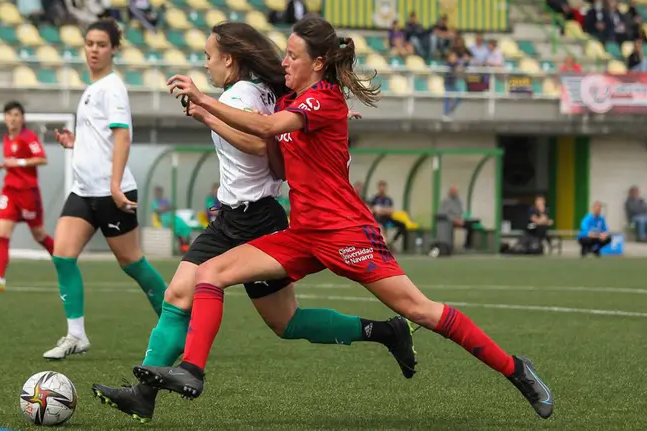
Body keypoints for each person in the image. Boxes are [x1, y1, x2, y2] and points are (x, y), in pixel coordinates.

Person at [135, 16, 553, 420]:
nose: (284, 62)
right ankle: (191, 370)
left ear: (318, 63)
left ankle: (517, 369)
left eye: (293, 55)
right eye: (284, 55)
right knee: (210, 273)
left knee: (421, 311)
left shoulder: (322, 99)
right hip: (303, 233)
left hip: (346, 233)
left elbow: (271, 127)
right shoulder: (293, 101)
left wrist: (205, 101)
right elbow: (278, 161)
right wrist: (222, 117)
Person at [91, 21, 416, 423]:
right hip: (231, 216)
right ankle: (143, 395)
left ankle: (387, 331)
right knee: (180, 295)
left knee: (285, 322)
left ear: (229, 58)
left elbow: (261, 144)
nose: (206, 65)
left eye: (209, 57)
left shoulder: (240, 93)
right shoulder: (259, 90)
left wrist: (207, 112)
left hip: (257, 218)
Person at [45, 19, 167, 360]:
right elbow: (100, 137)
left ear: (114, 48)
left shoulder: (113, 87)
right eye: (89, 44)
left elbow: (122, 135)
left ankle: (178, 325)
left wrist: (115, 184)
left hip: (112, 192)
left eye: (101, 44)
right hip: (84, 192)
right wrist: (76, 142)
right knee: (63, 256)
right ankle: (76, 335)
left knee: (133, 263)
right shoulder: (92, 89)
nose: (94, 50)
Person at [0, 102, 55, 292]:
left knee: (39, 235)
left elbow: (42, 159)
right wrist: (1, 166)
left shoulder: (28, 137)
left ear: (22, 118)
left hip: (28, 193)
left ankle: (63, 259)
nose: (12, 119)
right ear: (4, 118)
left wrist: (18, 162)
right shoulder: (6, 138)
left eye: (16, 115)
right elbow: (12, 164)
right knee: (3, 234)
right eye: (9, 115)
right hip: (10, 191)